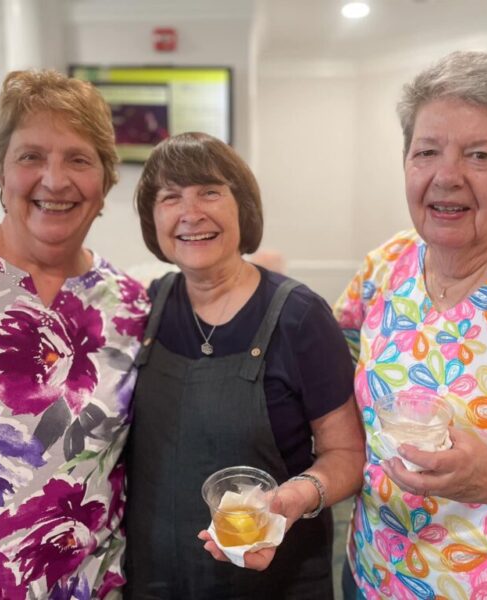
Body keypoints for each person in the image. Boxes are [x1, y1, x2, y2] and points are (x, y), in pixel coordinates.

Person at [334, 50, 487, 599]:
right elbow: (331, 376)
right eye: (426, 151)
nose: (446, 176)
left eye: (479, 155)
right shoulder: (386, 264)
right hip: (372, 573)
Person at [124, 131, 365, 599]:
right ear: (153, 219)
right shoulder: (144, 308)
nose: (191, 213)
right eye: (170, 197)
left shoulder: (300, 316)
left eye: (210, 192)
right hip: (156, 578)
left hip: (275, 579)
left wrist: (294, 499)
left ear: (243, 208)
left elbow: (348, 456)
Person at [0, 70, 150, 598]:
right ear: (0, 171)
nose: (55, 180)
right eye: (31, 156)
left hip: (90, 587)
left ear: (106, 180)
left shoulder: (130, 304)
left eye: (79, 159)